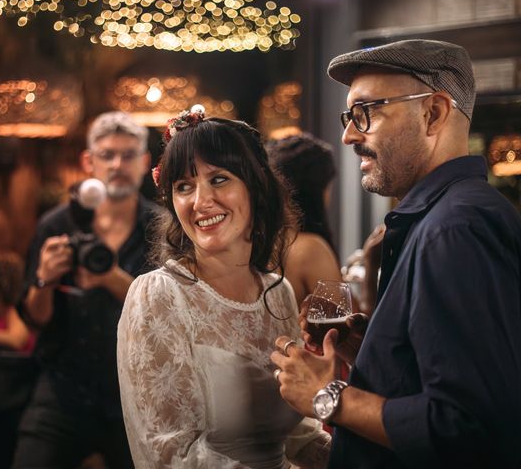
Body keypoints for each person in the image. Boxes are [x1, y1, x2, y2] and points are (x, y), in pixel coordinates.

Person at [271, 39, 521, 468]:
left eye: (366, 112)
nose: (348, 134)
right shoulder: (446, 216)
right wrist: (372, 350)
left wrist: (328, 397)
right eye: (349, 116)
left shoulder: (454, 228)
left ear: (433, 113)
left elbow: (469, 425)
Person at [117, 108, 331, 469]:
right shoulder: (158, 295)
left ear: (256, 186)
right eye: (184, 186)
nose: (201, 202)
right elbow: (169, 455)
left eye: (218, 179)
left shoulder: (277, 292)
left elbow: (300, 434)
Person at [12, 111, 158, 469]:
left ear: (144, 162)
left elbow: (165, 313)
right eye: (107, 155)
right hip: (63, 389)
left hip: (137, 392)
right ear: (88, 162)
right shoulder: (56, 224)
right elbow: (35, 319)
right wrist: (45, 279)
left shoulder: (162, 227)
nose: (118, 164)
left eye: (128, 155)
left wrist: (111, 278)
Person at [266, 134, 342, 306]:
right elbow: (349, 326)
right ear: (319, 190)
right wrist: (371, 264)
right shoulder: (310, 249)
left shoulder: (259, 244)